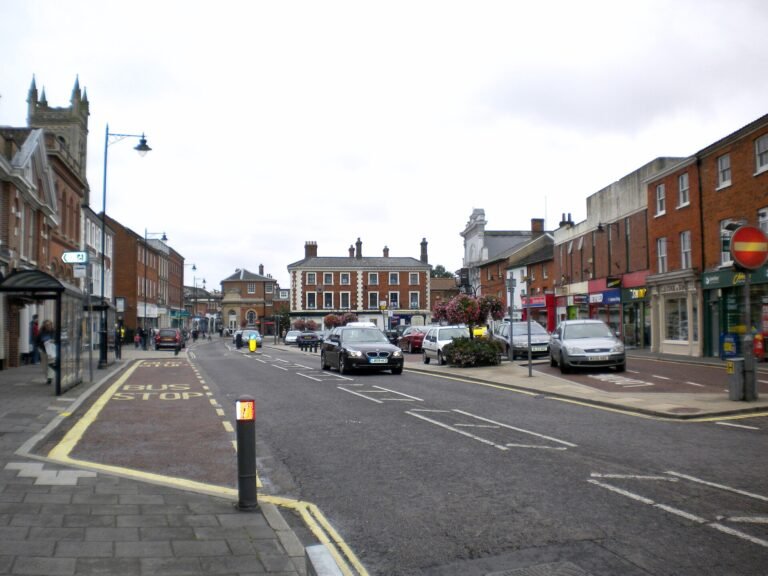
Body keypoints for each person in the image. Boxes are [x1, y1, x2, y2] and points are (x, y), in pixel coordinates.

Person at [36, 319, 55, 385]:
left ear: (51, 325)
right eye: (46, 325)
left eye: (49, 324)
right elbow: (37, 341)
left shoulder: (54, 332)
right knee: (44, 365)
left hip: (51, 350)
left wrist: (53, 341)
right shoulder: (41, 332)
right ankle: (47, 376)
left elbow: (57, 340)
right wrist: (39, 347)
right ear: (44, 325)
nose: (48, 326)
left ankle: (50, 378)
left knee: (51, 363)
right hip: (43, 350)